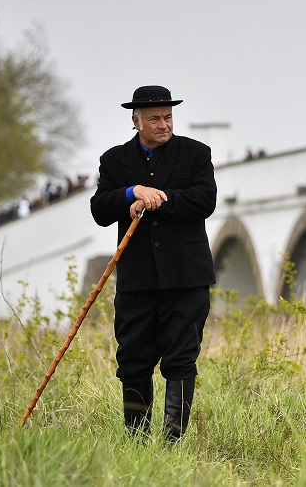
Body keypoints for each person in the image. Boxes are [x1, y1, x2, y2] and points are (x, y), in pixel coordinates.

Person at [91, 85, 217, 441]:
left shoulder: (195, 154)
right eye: (155, 118)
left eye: (168, 117)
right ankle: (137, 440)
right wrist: (130, 195)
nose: (164, 124)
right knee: (133, 359)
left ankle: (172, 442)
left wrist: (158, 199)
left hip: (187, 278)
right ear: (136, 121)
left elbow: (205, 199)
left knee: (181, 360)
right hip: (137, 280)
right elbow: (100, 209)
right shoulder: (114, 161)